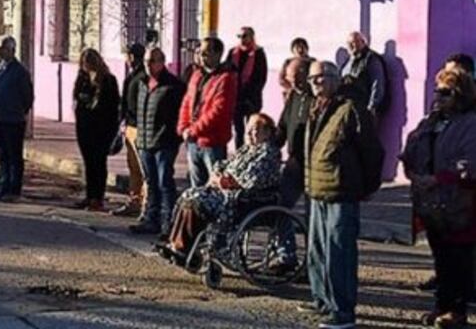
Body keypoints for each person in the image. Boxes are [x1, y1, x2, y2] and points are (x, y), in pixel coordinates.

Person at [301, 60, 383, 329]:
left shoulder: (351, 108)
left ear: (336, 78)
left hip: (341, 190)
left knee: (340, 254)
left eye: (320, 77)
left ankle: (343, 311)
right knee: (318, 251)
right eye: (312, 78)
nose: (314, 82)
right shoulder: (317, 106)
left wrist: (366, 187)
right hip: (317, 189)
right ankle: (322, 300)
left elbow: (372, 151)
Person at [402, 68, 476, 328]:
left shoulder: (470, 123)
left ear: (460, 94)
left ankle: (457, 310)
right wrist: (411, 169)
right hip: (431, 202)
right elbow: (412, 147)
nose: (439, 97)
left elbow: (470, 161)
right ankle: (441, 305)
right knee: (441, 257)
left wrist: (441, 178)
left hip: (459, 203)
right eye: (437, 91)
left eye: (445, 92)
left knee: (459, 259)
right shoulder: (431, 121)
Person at [159, 113, 281, 261]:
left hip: (243, 199)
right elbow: (223, 165)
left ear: (267, 132)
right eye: (248, 128)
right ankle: (176, 244)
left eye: (255, 129)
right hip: (226, 191)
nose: (248, 133)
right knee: (189, 196)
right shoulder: (247, 149)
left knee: (198, 201)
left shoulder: (268, 153)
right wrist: (218, 175)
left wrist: (223, 180)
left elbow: (250, 180)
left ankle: (182, 248)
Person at [129, 47, 186, 235]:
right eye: (146, 61)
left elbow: (179, 113)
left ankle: (169, 221)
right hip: (145, 141)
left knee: (164, 181)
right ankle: (150, 219)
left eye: (152, 61)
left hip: (164, 142)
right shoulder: (142, 83)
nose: (148, 65)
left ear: (162, 62)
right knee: (150, 181)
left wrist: (173, 136)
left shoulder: (173, 85)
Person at [178, 37, 237, 188]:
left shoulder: (226, 78)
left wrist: (194, 130)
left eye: (205, 53)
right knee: (196, 187)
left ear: (218, 54)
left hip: (212, 142)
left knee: (214, 186)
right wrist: (183, 127)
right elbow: (187, 101)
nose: (201, 57)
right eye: (200, 53)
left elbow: (218, 111)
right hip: (193, 141)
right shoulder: (197, 75)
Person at [273, 57, 313, 268]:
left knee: (312, 217)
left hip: (313, 165)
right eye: (291, 77)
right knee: (280, 207)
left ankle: (312, 264)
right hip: (294, 162)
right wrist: (268, 147)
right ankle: (286, 256)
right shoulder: (293, 97)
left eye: (299, 76)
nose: (296, 81)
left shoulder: (316, 98)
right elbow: (282, 127)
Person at [0, 35, 34, 203]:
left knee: (14, 156)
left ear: (12, 50)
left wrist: (19, 110)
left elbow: (27, 97)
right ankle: (3, 186)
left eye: (3, 49)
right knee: (2, 155)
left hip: (14, 120)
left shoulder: (20, 72)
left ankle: (14, 189)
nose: (0, 52)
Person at [72, 48, 121, 212]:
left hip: (101, 130)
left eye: (88, 63)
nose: (85, 66)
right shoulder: (83, 79)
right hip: (84, 128)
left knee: (99, 163)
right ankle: (89, 195)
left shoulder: (108, 80)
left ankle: (97, 198)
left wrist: (111, 131)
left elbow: (113, 108)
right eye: (83, 63)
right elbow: (77, 99)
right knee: (88, 163)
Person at [113, 43, 147, 217]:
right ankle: (134, 201)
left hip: (140, 127)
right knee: (133, 168)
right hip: (130, 126)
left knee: (142, 169)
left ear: (132, 57)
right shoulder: (133, 75)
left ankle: (144, 204)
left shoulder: (142, 76)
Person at [227, 26, 268, 149]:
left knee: (253, 127)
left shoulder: (258, 53)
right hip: (236, 98)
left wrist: (250, 95)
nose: (242, 39)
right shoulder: (232, 52)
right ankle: (239, 152)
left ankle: (252, 151)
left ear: (251, 37)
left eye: (245, 36)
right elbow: (227, 72)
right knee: (238, 129)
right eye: (239, 36)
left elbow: (261, 77)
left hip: (252, 99)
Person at [339, 31, 388, 122]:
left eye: (355, 42)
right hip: (348, 109)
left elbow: (377, 84)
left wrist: (371, 108)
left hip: (364, 109)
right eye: (349, 43)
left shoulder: (371, 59)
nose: (351, 45)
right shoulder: (348, 62)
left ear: (363, 42)